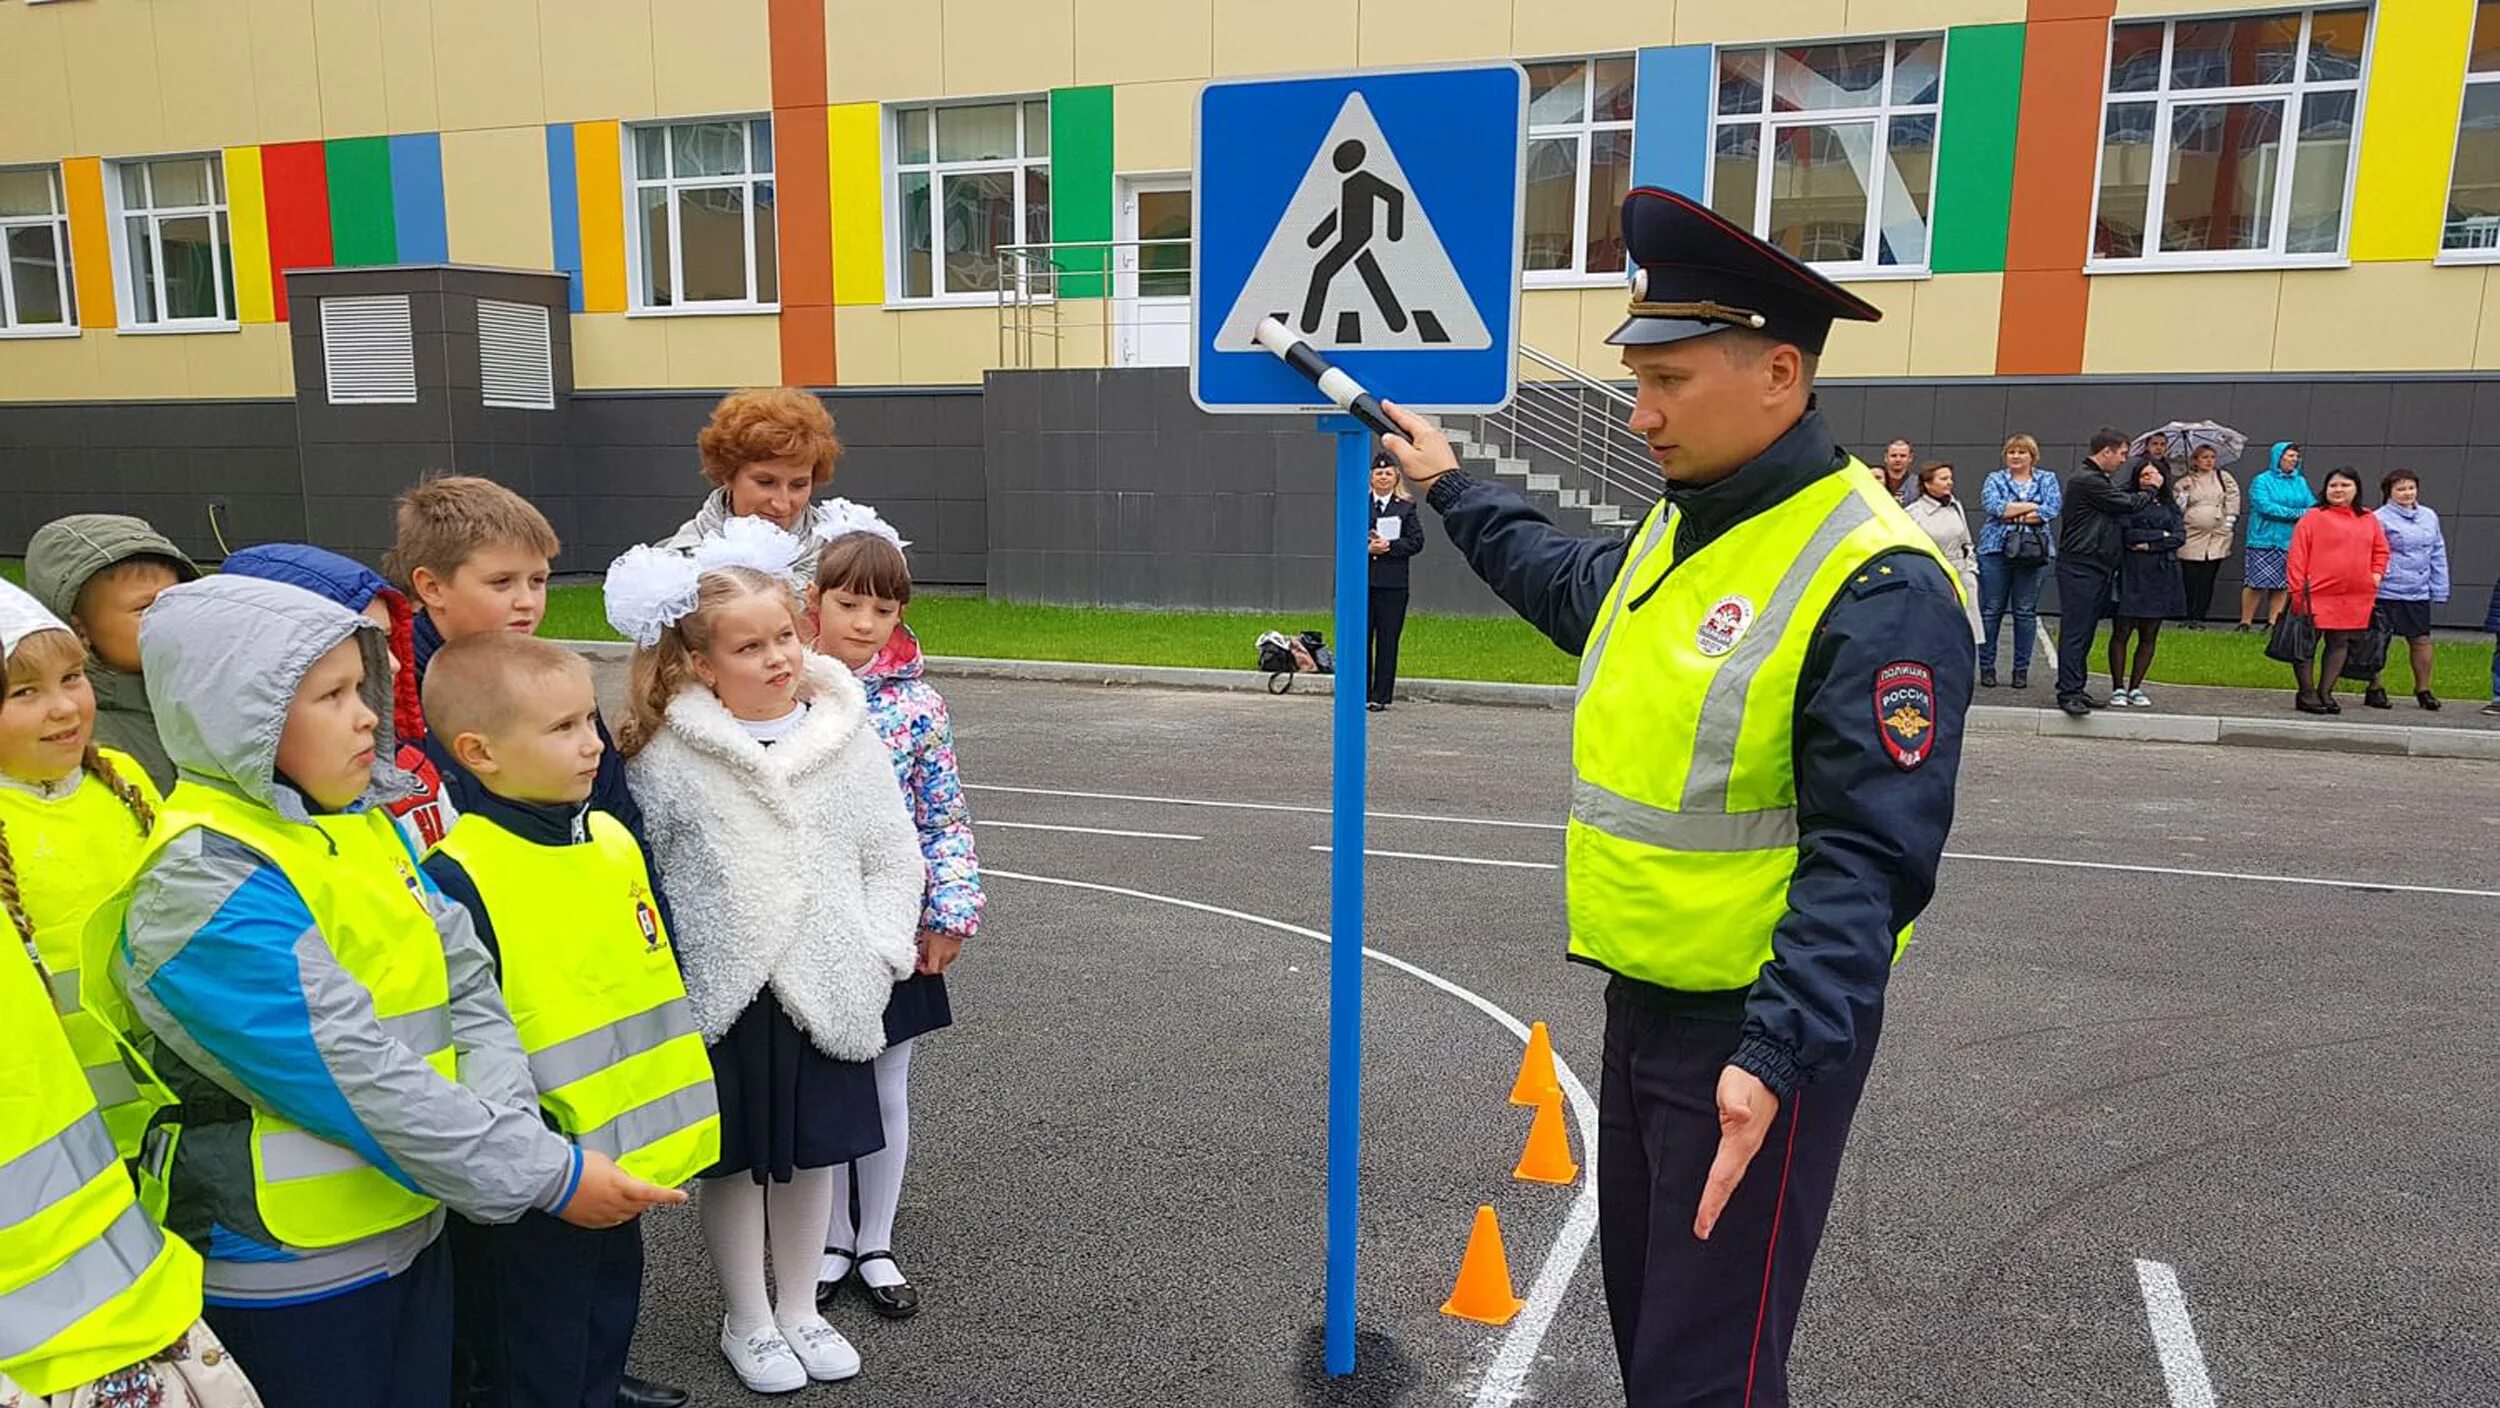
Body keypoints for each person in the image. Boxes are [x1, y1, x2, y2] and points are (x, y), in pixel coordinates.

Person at [1376, 187, 1971, 1408]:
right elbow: (1566, 578)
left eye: (1671, 380)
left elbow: (1871, 854)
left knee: (1709, 1375)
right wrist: (1447, 485)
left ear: (1780, 373)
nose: (1639, 413)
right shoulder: (1688, 524)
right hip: (1645, 1006)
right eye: (1637, 378)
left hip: (1754, 1030)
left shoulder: (1874, 576)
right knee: (1659, 1347)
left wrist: (1775, 1050)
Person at [104, 575, 681, 1408]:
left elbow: (467, 989)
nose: (368, 715)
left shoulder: (361, 826)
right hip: (290, 1267)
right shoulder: (206, 881)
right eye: (330, 696)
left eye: (361, 688)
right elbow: (357, 1074)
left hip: (409, 1226)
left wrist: (512, 1137)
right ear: (240, 713)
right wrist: (543, 1176)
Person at [607, 523, 922, 1392]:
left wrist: (883, 946)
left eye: (784, 635)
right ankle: (747, 1315)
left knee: (817, 1152)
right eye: (750, 647)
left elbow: (894, 853)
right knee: (739, 1162)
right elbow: (652, 871)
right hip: (730, 991)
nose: (778, 657)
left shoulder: (845, 733)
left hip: (828, 979)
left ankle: (801, 1310)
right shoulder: (667, 755)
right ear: (704, 665)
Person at [418, 633, 721, 1408]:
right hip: (538, 1177)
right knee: (537, 1352)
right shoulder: (459, 876)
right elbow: (465, 1040)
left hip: (622, 1157)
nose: (591, 746)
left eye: (589, 721)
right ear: (478, 752)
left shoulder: (611, 840)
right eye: (561, 730)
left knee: (606, 1317)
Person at [0, 580, 261, 1408]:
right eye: (24, 693)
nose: (62, 709)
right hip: (74, 1153)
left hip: (172, 1110)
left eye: (72, 680)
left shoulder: (118, 778)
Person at [804, 526, 985, 1321]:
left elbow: (944, 817)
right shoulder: (783, 692)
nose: (864, 621)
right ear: (814, 602)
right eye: (848, 602)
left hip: (895, 924)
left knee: (885, 1085)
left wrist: (947, 912)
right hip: (809, 926)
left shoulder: (917, 705)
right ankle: (829, 1237)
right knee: (820, 1082)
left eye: (883, 607)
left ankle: (873, 1241)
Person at [221, 544, 456, 849]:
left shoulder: (408, 765)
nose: (393, 664)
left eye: (385, 639)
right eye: (361, 643)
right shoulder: (233, 851)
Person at [24, 514, 201, 790]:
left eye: (178, 600)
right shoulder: (70, 734)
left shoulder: (207, 692)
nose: (173, 618)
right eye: (145, 608)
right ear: (79, 630)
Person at [661, 387, 877, 581]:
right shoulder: (680, 562)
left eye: (798, 485)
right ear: (728, 474)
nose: (782, 504)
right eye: (766, 482)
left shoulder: (841, 551)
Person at [2053, 429, 2160, 716]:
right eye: (2122, 454)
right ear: (2106, 452)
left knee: (2085, 630)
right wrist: (2150, 490)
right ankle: (2068, 691)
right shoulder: (2088, 480)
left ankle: (2076, 685)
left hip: (2095, 565)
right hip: (2081, 564)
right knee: (2076, 631)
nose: (2124, 460)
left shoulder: (2098, 480)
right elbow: (2125, 504)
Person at [2283, 468, 2389, 715]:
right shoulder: (2313, 517)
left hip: (2354, 594)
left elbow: (2381, 550)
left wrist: (2375, 575)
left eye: (2345, 485)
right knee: (2307, 642)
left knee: (2340, 641)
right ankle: (2306, 693)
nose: (2338, 490)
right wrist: (2298, 588)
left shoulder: (2368, 518)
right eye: (2333, 485)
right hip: (2316, 592)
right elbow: (2297, 555)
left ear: (2356, 489)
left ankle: (2325, 691)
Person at [1976, 435, 2060, 690]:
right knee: (1991, 611)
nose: (2015, 456)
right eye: (2011, 452)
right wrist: (2031, 506)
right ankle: (1987, 667)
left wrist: (2015, 511)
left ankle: (2020, 670)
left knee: (2025, 612)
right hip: (1995, 550)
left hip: (2034, 551)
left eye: (2022, 452)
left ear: (2032, 456)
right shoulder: (1995, 478)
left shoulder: (2047, 478)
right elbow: (1994, 507)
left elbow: (2052, 508)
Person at [2366, 470, 2450, 710]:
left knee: (2421, 640)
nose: (2407, 493)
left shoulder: (2429, 516)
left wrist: (2439, 586)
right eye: (2401, 489)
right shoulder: (2379, 518)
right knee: (2379, 640)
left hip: (2417, 590)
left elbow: (2437, 551)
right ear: (2389, 493)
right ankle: (2374, 687)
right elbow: (2373, 553)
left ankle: (2423, 689)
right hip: (2387, 589)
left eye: (2411, 488)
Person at [2108, 459, 2186, 707]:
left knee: (2149, 632)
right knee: (2122, 630)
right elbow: (2128, 535)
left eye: (2154, 474)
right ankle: (2118, 686)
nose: (2150, 478)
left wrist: (2152, 543)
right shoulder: (2129, 502)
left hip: (2160, 573)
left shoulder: (2170, 506)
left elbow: (2178, 537)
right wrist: (2159, 534)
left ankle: (2136, 687)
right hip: (2131, 572)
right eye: (2144, 474)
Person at [1366, 450, 1426, 710]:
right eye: (1378, 473)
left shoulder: (1405, 507)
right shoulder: (1358, 504)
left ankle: (1381, 696)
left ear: (1396, 477)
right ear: (1371, 477)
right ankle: (1360, 692)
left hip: (1393, 585)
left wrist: (1389, 546)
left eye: (1387, 473)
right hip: (1363, 582)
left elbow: (1416, 542)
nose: (1383, 477)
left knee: (1388, 640)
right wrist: (1367, 549)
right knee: (1362, 638)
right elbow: (1344, 537)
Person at [1905, 461, 1982, 644]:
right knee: (1934, 631)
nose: (1949, 482)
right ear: (1927, 483)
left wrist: (1970, 570)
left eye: (1950, 478)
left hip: (1961, 574)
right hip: (1932, 577)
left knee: (1965, 633)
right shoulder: (1913, 513)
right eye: (1943, 478)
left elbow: (1967, 541)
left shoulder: (1955, 505)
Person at [2241, 442, 2313, 631]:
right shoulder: (2261, 480)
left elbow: (2312, 506)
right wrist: (2296, 513)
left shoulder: (2301, 482)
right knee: (2255, 582)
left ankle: (2273, 623)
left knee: (2282, 584)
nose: (2294, 460)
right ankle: (2245, 622)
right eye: (2289, 456)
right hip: (2262, 539)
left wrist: (2299, 512)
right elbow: (2265, 507)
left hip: (2290, 540)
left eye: (2296, 457)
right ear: (2278, 457)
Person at [2171, 444, 2240, 627]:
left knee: (2207, 577)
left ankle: (2200, 615)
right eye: (2204, 457)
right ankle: (2186, 615)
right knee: (2190, 577)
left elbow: (2233, 497)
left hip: (2216, 534)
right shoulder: (2185, 481)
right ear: (2195, 460)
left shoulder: (2223, 478)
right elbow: (2177, 508)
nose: (2209, 461)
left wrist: (2229, 519)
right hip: (2192, 534)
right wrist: (2184, 493)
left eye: (2212, 457)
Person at [1875, 438, 1916, 503]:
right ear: (1886, 457)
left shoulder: (1918, 484)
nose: (1898, 459)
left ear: (1910, 458)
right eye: (1893, 455)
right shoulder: (1874, 481)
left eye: (1903, 456)